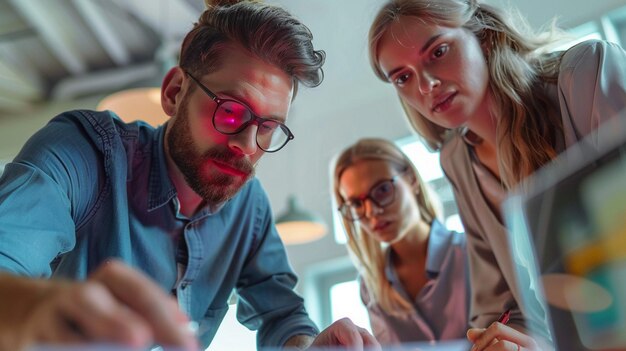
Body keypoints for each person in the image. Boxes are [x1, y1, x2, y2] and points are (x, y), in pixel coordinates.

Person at [0, 1, 380, 350]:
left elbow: (281, 315)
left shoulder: (249, 207)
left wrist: (307, 346)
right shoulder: (84, 152)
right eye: (230, 112)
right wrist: (38, 309)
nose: (247, 144)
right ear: (175, 91)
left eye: (268, 127)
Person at [367, 0, 626, 350]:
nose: (426, 84)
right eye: (403, 77)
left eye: (439, 51)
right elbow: (504, 308)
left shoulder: (586, 74)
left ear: (483, 36)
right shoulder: (457, 161)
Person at [331, 138, 469, 345]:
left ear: (412, 179)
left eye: (383, 190)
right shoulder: (371, 287)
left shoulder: (471, 253)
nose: (372, 211)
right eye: (356, 203)